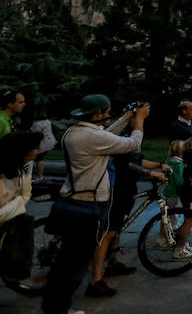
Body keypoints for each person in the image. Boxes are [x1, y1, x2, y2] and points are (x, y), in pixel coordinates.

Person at [41, 94, 149, 314]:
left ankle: (53, 306)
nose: (108, 116)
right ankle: (59, 310)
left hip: (73, 202)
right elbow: (132, 145)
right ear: (98, 114)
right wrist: (139, 122)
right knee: (75, 265)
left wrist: (126, 116)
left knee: (65, 263)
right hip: (87, 207)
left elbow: (106, 135)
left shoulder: (75, 132)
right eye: (107, 113)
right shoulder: (91, 138)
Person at [87, 113, 170, 298]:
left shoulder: (133, 138)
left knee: (118, 228)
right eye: (138, 117)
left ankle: (113, 262)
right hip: (116, 189)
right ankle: (96, 280)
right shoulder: (120, 138)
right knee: (107, 232)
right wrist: (151, 174)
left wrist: (159, 165)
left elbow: (137, 160)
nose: (142, 120)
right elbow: (125, 165)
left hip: (127, 189)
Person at [0, 131, 42, 288]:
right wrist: (17, 204)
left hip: (9, 215)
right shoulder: (4, 174)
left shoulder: (23, 167)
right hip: (6, 215)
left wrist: (17, 204)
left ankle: (17, 273)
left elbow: (25, 195)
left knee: (24, 222)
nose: (39, 150)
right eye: (36, 147)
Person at [30, 108, 57, 179]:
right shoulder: (48, 121)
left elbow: (36, 135)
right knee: (38, 158)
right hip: (50, 141)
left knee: (38, 158)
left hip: (43, 142)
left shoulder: (37, 124)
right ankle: (38, 174)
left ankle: (40, 175)